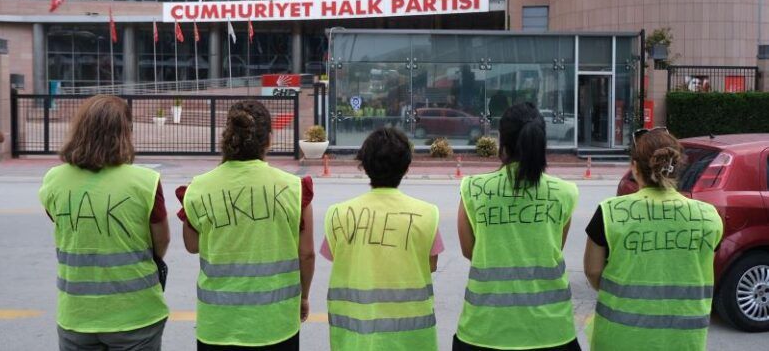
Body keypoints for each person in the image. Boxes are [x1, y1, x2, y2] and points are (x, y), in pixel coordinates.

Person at [178, 100, 315, 350]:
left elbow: (191, 245)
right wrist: (304, 296)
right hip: (276, 323)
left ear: (228, 137)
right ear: (269, 140)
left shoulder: (200, 188)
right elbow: (306, 254)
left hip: (218, 325)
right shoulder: (294, 188)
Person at [38, 95, 170, 351]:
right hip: (136, 314)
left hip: (76, 314)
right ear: (125, 132)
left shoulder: (54, 180)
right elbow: (161, 242)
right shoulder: (145, 182)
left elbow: (62, 224)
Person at [455, 102, 580, 351]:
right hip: (552, 332)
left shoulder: (473, 188)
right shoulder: (565, 192)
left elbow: (469, 251)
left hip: (484, 330)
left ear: (503, 143)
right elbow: (555, 246)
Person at [584, 127, 723, 351]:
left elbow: (592, 271)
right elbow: (701, 268)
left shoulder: (610, 212)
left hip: (620, 337)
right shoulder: (709, 217)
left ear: (634, 168)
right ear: (677, 167)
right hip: (684, 341)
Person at [321, 127, 443, 350]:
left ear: (364, 166)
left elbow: (337, 257)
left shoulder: (338, 214)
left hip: (355, 340)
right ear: (406, 167)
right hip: (412, 341)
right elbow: (431, 265)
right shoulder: (427, 214)